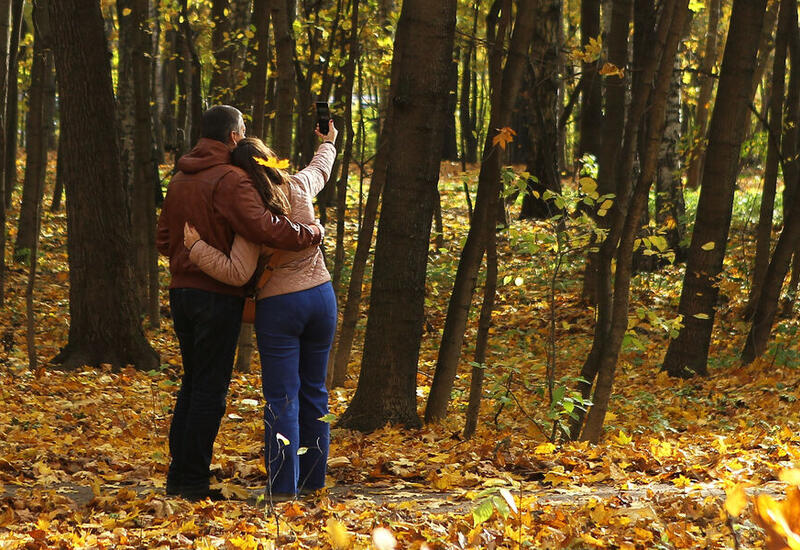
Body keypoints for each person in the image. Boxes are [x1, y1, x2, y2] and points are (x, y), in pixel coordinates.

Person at [156, 105, 324, 501]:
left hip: (181, 292)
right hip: (216, 295)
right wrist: (310, 233)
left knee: (192, 384)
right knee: (209, 392)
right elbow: (263, 226)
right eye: (243, 130)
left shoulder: (179, 177)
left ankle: (180, 477)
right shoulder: (231, 179)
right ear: (233, 137)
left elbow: (164, 239)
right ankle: (193, 483)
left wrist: (188, 255)